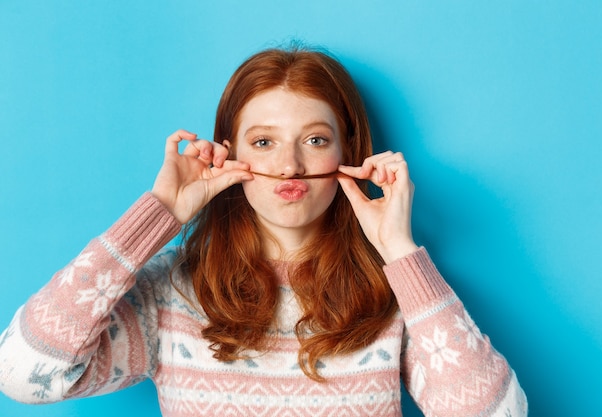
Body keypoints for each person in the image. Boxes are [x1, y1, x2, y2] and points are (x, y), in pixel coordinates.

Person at [0, 46, 527, 416]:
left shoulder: (395, 296)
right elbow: (21, 376)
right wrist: (157, 214)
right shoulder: (172, 293)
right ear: (230, 153)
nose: (291, 167)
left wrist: (399, 251)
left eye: (316, 140)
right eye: (264, 142)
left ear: (349, 153)